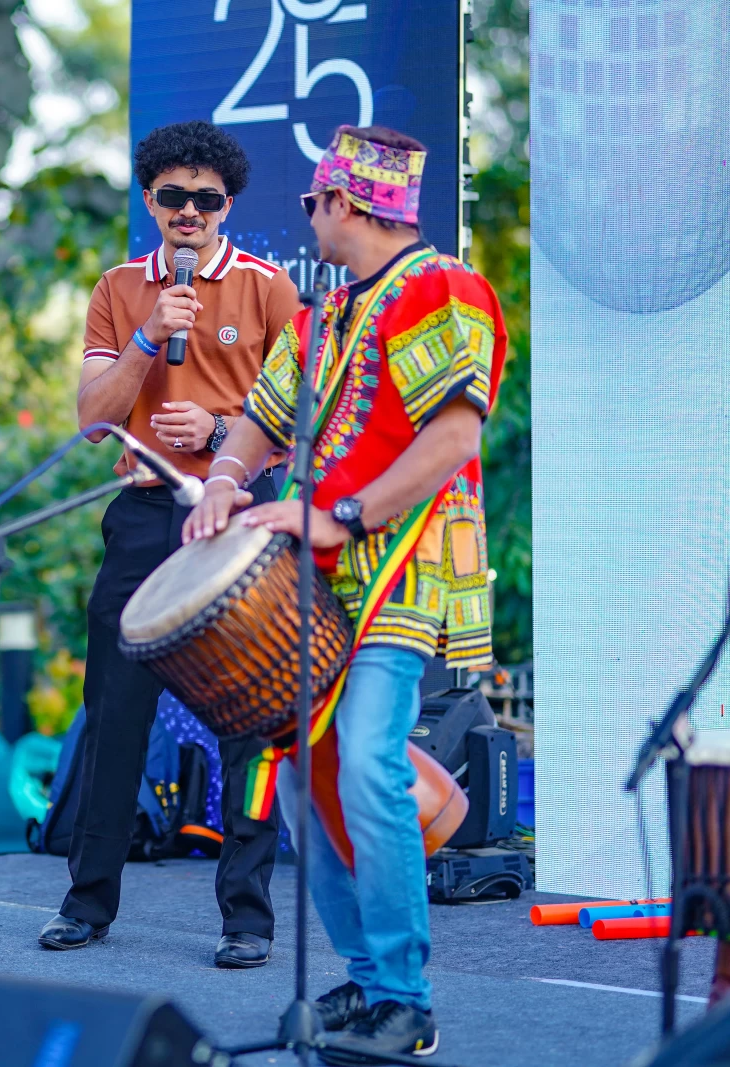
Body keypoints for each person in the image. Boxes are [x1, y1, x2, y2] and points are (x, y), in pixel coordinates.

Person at [182, 125, 506, 1062]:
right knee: (303, 780)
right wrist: (224, 480)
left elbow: (454, 436)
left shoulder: (440, 287)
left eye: (312, 201)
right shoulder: (320, 319)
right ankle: (368, 980)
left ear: (346, 201)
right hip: (316, 583)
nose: (308, 217)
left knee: (364, 761)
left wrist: (343, 515)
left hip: (401, 560)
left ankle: (406, 997)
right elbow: (260, 420)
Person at [36, 120, 303, 968]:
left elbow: (304, 423)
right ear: (149, 199)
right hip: (144, 513)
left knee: (248, 721)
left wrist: (222, 430)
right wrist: (151, 336)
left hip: (241, 514)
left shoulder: (268, 287)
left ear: (229, 204)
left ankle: (248, 917)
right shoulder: (120, 288)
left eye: (207, 199)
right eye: (173, 196)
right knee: (115, 712)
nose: (190, 212)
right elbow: (93, 419)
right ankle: (87, 902)